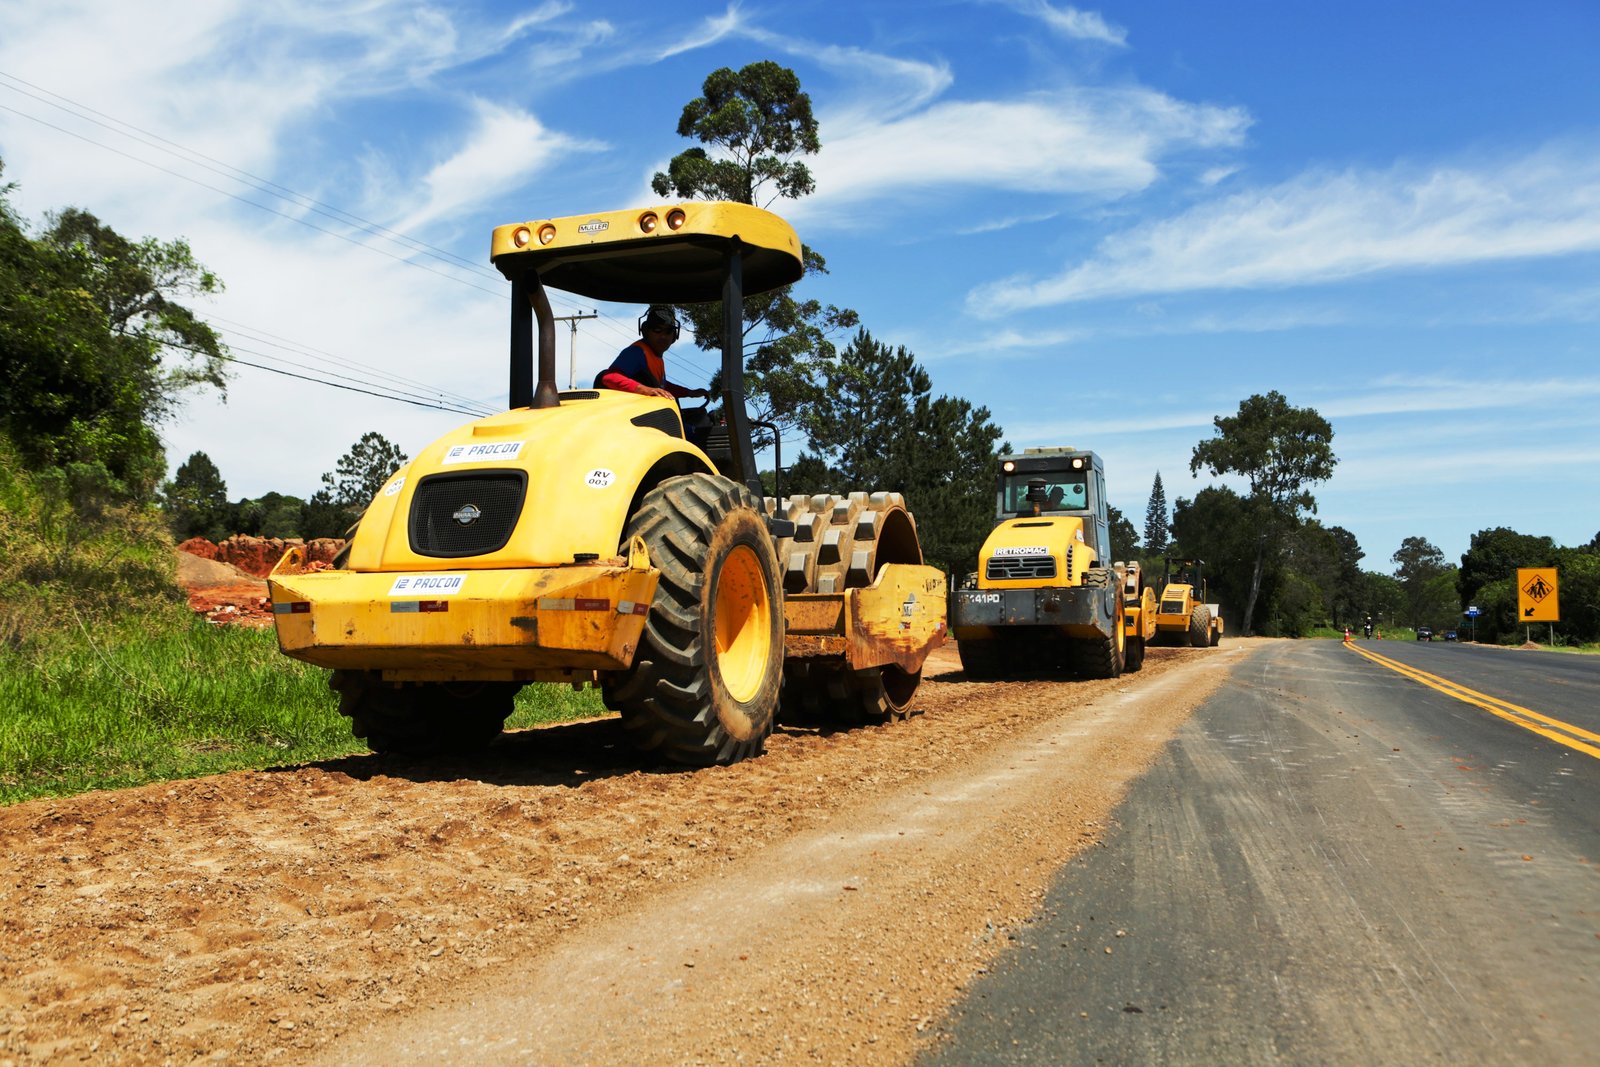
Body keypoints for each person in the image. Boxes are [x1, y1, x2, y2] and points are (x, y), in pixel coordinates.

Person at [595, 306, 710, 401]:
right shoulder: (637, 352)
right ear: (646, 331)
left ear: (674, 335)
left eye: (668, 331)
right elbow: (609, 377)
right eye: (657, 329)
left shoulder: (656, 358)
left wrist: (688, 392)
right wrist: (645, 390)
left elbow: (663, 387)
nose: (663, 336)